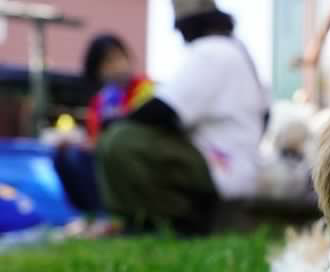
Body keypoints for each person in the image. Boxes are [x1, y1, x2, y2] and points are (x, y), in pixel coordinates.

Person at [97, 0, 268, 234]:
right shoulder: (238, 50)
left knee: (120, 139)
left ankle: (174, 221)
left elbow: (166, 110)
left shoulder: (210, 50)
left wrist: (117, 120)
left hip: (220, 167)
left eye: (180, 28)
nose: (180, 36)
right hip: (237, 166)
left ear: (192, 23)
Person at [53, 34, 152, 215]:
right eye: (106, 63)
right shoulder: (100, 100)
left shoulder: (145, 88)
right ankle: (88, 214)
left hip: (135, 158)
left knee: (84, 156)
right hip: (103, 154)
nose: (115, 66)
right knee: (64, 155)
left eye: (118, 58)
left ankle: (107, 215)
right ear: (96, 71)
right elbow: (94, 137)